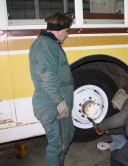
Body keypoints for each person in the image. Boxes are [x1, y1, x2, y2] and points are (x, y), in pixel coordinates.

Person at [29, 12, 74, 166]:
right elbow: (46, 77)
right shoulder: (44, 45)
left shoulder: (52, 44)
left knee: (67, 137)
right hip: (51, 105)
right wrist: (59, 102)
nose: (67, 35)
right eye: (67, 31)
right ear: (59, 29)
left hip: (60, 105)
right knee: (57, 145)